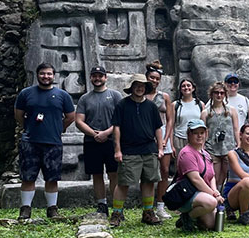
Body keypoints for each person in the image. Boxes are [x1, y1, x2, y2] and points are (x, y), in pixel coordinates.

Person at [12, 62, 75, 220]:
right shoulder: (26, 93)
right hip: (30, 141)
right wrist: (28, 127)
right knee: (28, 177)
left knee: (52, 178)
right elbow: (18, 114)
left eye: (49, 74)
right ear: (37, 75)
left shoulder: (62, 95)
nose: (45, 76)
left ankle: (52, 209)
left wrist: (59, 128)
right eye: (42, 73)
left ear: (54, 76)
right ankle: (25, 208)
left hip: (53, 142)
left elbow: (70, 116)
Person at [110, 74, 164, 227]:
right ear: (131, 87)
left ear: (146, 88)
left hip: (148, 149)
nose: (140, 88)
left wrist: (160, 148)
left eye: (142, 85)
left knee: (149, 181)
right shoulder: (122, 105)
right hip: (128, 150)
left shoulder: (151, 106)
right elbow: (117, 128)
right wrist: (117, 150)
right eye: (136, 85)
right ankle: (117, 213)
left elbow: (157, 128)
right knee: (123, 183)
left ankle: (148, 213)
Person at [75, 65, 123, 216]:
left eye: (100, 76)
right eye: (94, 75)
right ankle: (102, 204)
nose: (97, 78)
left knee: (113, 173)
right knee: (96, 174)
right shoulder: (85, 98)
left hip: (112, 141)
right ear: (91, 78)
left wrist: (106, 133)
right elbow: (79, 121)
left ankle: (117, 206)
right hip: (91, 141)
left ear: (105, 77)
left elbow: (121, 118)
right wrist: (94, 134)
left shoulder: (115, 95)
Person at [172, 119, 221, 232]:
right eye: (195, 133)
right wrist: (214, 195)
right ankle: (186, 217)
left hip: (203, 194)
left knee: (211, 224)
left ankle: (196, 217)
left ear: (206, 134)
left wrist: (215, 191)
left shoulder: (206, 153)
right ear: (188, 134)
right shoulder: (187, 153)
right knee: (212, 203)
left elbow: (212, 175)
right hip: (188, 194)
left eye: (202, 133)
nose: (199, 136)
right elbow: (195, 179)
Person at [145, 61, 176, 221]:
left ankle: (161, 206)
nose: (154, 81)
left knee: (164, 171)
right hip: (146, 136)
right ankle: (147, 206)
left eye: (157, 79)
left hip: (163, 133)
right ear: (147, 78)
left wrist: (165, 139)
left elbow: (170, 120)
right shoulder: (141, 94)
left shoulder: (164, 97)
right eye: (152, 78)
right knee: (149, 172)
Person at [201, 81, 239, 192]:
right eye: (216, 93)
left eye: (222, 93)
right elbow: (203, 131)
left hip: (228, 147)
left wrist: (239, 144)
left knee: (226, 174)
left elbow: (236, 129)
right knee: (215, 175)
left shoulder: (231, 110)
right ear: (212, 94)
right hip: (212, 148)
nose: (219, 95)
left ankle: (223, 196)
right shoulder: (206, 112)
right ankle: (215, 196)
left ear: (225, 95)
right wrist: (202, 148)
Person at [172, 78, 205, 153]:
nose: (186, 88)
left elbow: (204, 125)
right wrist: (171, 145)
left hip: (197, 138)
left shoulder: (200, 104)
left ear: (193, 88)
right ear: (180, 89)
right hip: (179, 139)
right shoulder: (175, 105)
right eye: (183, 86)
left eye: (188, 85)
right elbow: (171, 125)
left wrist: (203, 142)